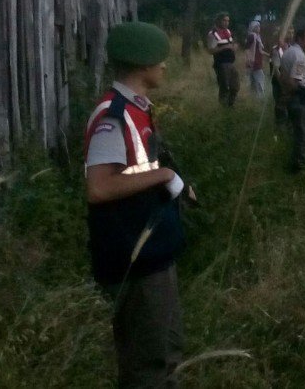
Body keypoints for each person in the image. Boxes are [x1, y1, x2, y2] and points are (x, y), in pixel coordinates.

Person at [84, 22, 190, 387]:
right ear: (143, 64)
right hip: (135, 258)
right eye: (160, 60)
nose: (164, 66)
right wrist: (162, 177)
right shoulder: (114, 117)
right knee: (148, 364)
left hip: (151, 252)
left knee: (165, 351)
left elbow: (135, 171)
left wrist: (172, 181)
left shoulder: (137, 109)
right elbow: (98, 187)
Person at [280, 28, 305, 171]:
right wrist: (302, 91)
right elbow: (293, 81)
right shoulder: (299, 56)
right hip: (301, 100)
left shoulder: (289, 52)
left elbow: (282, 75)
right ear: (300, 39)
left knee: (300, 132)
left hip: (293, 98)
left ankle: (297, 163)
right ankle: (298, 166)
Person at [206, 12, 239, 107]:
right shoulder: (213, 34)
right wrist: (224, 48)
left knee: (235, 85)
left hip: (231, 62)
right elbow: (211, 50)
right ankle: (223, 106)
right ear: (219, 21)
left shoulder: (227, 32)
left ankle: (231, 104)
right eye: (224, 20)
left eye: (228, 21)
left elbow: (231, 44)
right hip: (221, 63)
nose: (226, 23)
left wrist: (234, 47)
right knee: (225, 86)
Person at [270, 27, 295, 125]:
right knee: (280, 105)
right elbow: (276, 69)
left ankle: (289, 126)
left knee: (291, 106)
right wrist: (282, 84)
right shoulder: (276, 50)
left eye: (292, 32)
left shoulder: (292, 49)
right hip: (279, 83)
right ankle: (280, 128)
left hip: (291, 82)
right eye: (289, 32)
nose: (291, 35)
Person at [245, 17, 267, 98]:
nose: (259, 28)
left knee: (253, 80)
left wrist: (268, 55)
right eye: (257, 27)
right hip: (254, 61)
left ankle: (253, 97)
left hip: (257, 61)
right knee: (260, 78)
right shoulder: (252, 36)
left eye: (259, 27)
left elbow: (260, 51)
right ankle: (259, 97)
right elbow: (247, 49)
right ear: (253, 28)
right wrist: (248, 60)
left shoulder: (258, 37)